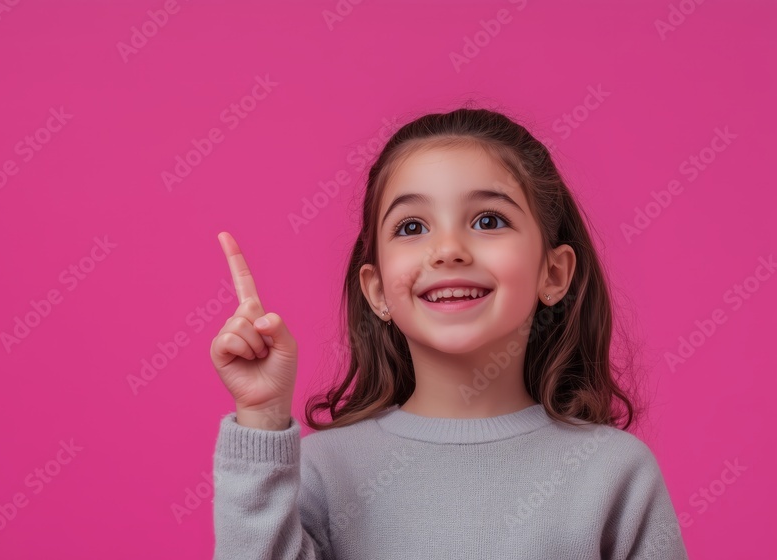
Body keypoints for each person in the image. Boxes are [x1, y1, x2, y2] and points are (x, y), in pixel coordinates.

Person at [209, 107, 689, 559]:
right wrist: (261, 418)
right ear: (376, 290)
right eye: (412, 226)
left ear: (554, 274)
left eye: (488, 220)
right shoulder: (319, 473)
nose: (447, 250)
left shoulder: (615, 473)